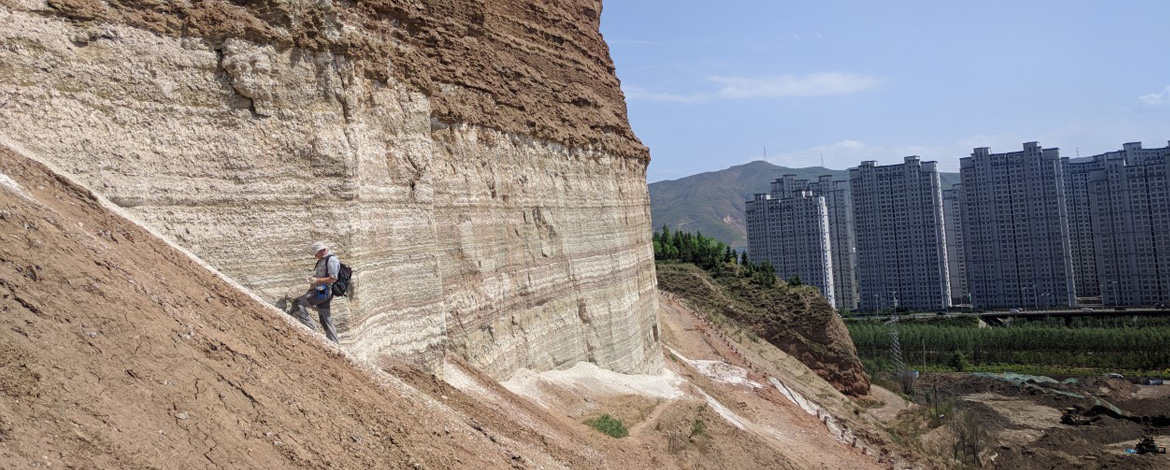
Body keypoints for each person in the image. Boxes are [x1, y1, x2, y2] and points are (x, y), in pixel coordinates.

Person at [292, 241, 340, 343]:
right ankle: (335, 344)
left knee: (298, 303)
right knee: (325, 318)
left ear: (322, 250)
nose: (315, 256)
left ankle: (311, 330)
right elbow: (322, 275)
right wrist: (313, 278)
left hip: (323, 291)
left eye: (316, 253)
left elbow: (333, 278)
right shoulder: (323, 259)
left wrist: (317, 281)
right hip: (321, 289)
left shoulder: (332, 260)